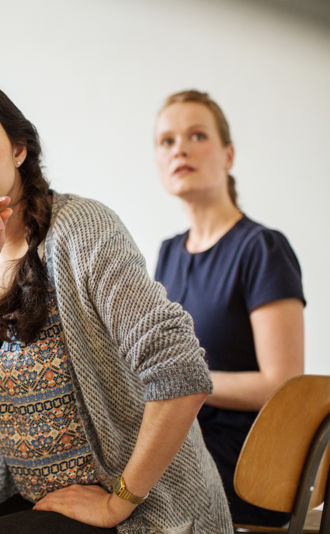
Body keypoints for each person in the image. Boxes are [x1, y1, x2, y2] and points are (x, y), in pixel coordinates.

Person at [0, 76, 232, 534]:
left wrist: (119, 500)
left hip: (147, 512)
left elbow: (181, 368)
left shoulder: (81, 229)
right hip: (47, 507)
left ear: (18, 149)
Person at [153, 90, 304, 527]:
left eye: (197, 136)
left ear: (228, 155)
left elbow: (283, 384)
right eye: (167, 141)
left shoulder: (262, 248)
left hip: (248, 461)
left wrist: (185, 381)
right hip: (185, 440)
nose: (180, 149)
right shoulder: (168, 253)